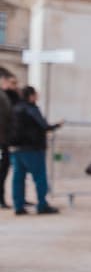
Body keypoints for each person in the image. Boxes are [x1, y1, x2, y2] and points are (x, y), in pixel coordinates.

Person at [9, 86, 62, 215]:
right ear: (31, 96)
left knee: (18, 178)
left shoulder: (15, 108)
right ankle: (42, 205)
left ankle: (18, 206)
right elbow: (44, 126)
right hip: (32, 148)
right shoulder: (31, 109)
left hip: (16, 148)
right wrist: (57, 125)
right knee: (39, 178)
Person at [0, 68, 16, 209]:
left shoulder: (6, 95)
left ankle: (1, 198)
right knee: (1, 168)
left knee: (3, 168)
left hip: (4, 141)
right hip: (1, 142)